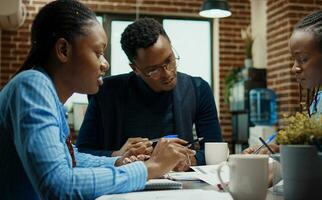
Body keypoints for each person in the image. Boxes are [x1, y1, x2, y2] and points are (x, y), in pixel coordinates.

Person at [0, 1, 195, 199]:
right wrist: (150, 168)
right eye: (98, 53)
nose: (105, 64)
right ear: (63, 50)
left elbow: (70, 159)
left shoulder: (47, 96)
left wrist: (118, 161)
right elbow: (59, 185)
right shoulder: (32, 85)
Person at [76, 18, 223, 170]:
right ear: (136, 69)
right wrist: (117, 155)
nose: (167, 73)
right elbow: (80, 155)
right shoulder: (106, 93)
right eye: (153, 70)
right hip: (124, 186)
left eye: (169, 59)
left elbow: (216, 153)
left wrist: (187, 159)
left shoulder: (198, 89)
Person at [245, 0, 322, 177]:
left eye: (303, 59)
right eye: (294, 60)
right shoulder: (318, 102)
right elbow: (312, 154)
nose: (294, 68)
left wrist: (287, 163)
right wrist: (280, 149)